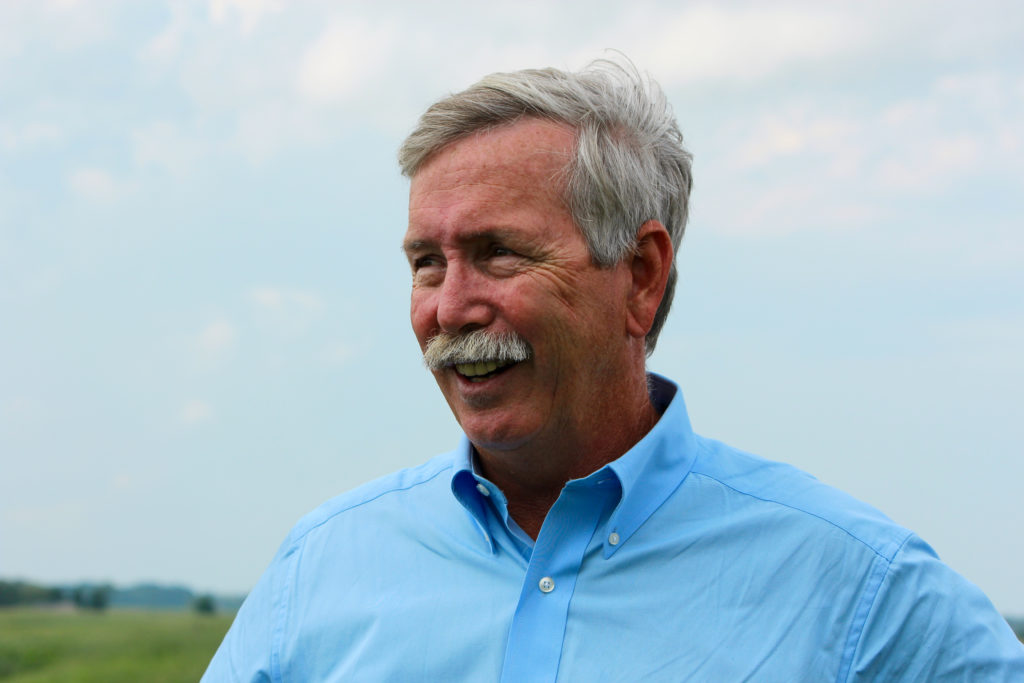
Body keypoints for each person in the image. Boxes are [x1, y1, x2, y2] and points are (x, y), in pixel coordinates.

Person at [203, 60, 1024, 681]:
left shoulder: (858, 589)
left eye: (499, 254)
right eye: (427, 262)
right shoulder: (319, 571)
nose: (450, 307)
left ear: (640, 275)